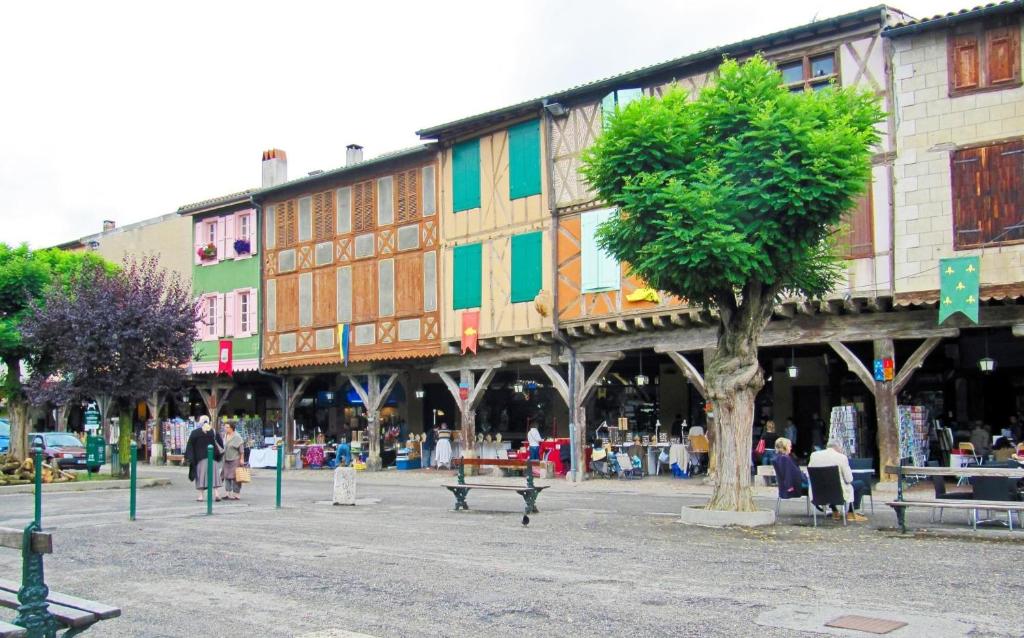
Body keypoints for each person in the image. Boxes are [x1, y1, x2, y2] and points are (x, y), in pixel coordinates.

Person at [808, 439, 867, 522]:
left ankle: (834, 511)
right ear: (838, 447)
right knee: (859, 484)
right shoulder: (841, 457)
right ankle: (851, 512)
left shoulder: (814, 455)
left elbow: (809, 473)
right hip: (838, 491)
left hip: (818, 491)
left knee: (829, 484)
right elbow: (849, 479)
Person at [184, 416, 224, 502]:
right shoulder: (213, 432)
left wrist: (189, 457)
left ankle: (201, 496)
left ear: (200, 422)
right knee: (214, 477)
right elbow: (221, 444)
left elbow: (190, 446)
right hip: (212, 458)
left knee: (201, 477)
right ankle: (217, 494)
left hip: (200, 459)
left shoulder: (195, 433)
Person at [221, 421, 246, 500]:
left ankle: (236, 493)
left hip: (235, 459)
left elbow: (241, 450)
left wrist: (242, 459)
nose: (225, 428)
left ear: (232, 428)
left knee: (235, 477)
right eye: (225, 427)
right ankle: (227, 493)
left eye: (227, 427)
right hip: (226, 459)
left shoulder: (237, 436)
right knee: (226, 476)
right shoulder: (225, 435)